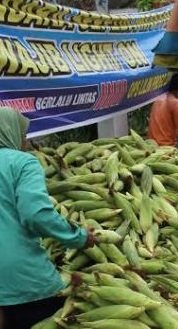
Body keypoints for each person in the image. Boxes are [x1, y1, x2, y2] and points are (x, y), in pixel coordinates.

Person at [0, 108, 94, 329]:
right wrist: (79, 237)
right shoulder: (23, 163)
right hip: (23, 280)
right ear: (10, 134)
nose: (26, 143)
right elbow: (36, 215)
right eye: (23, 136)